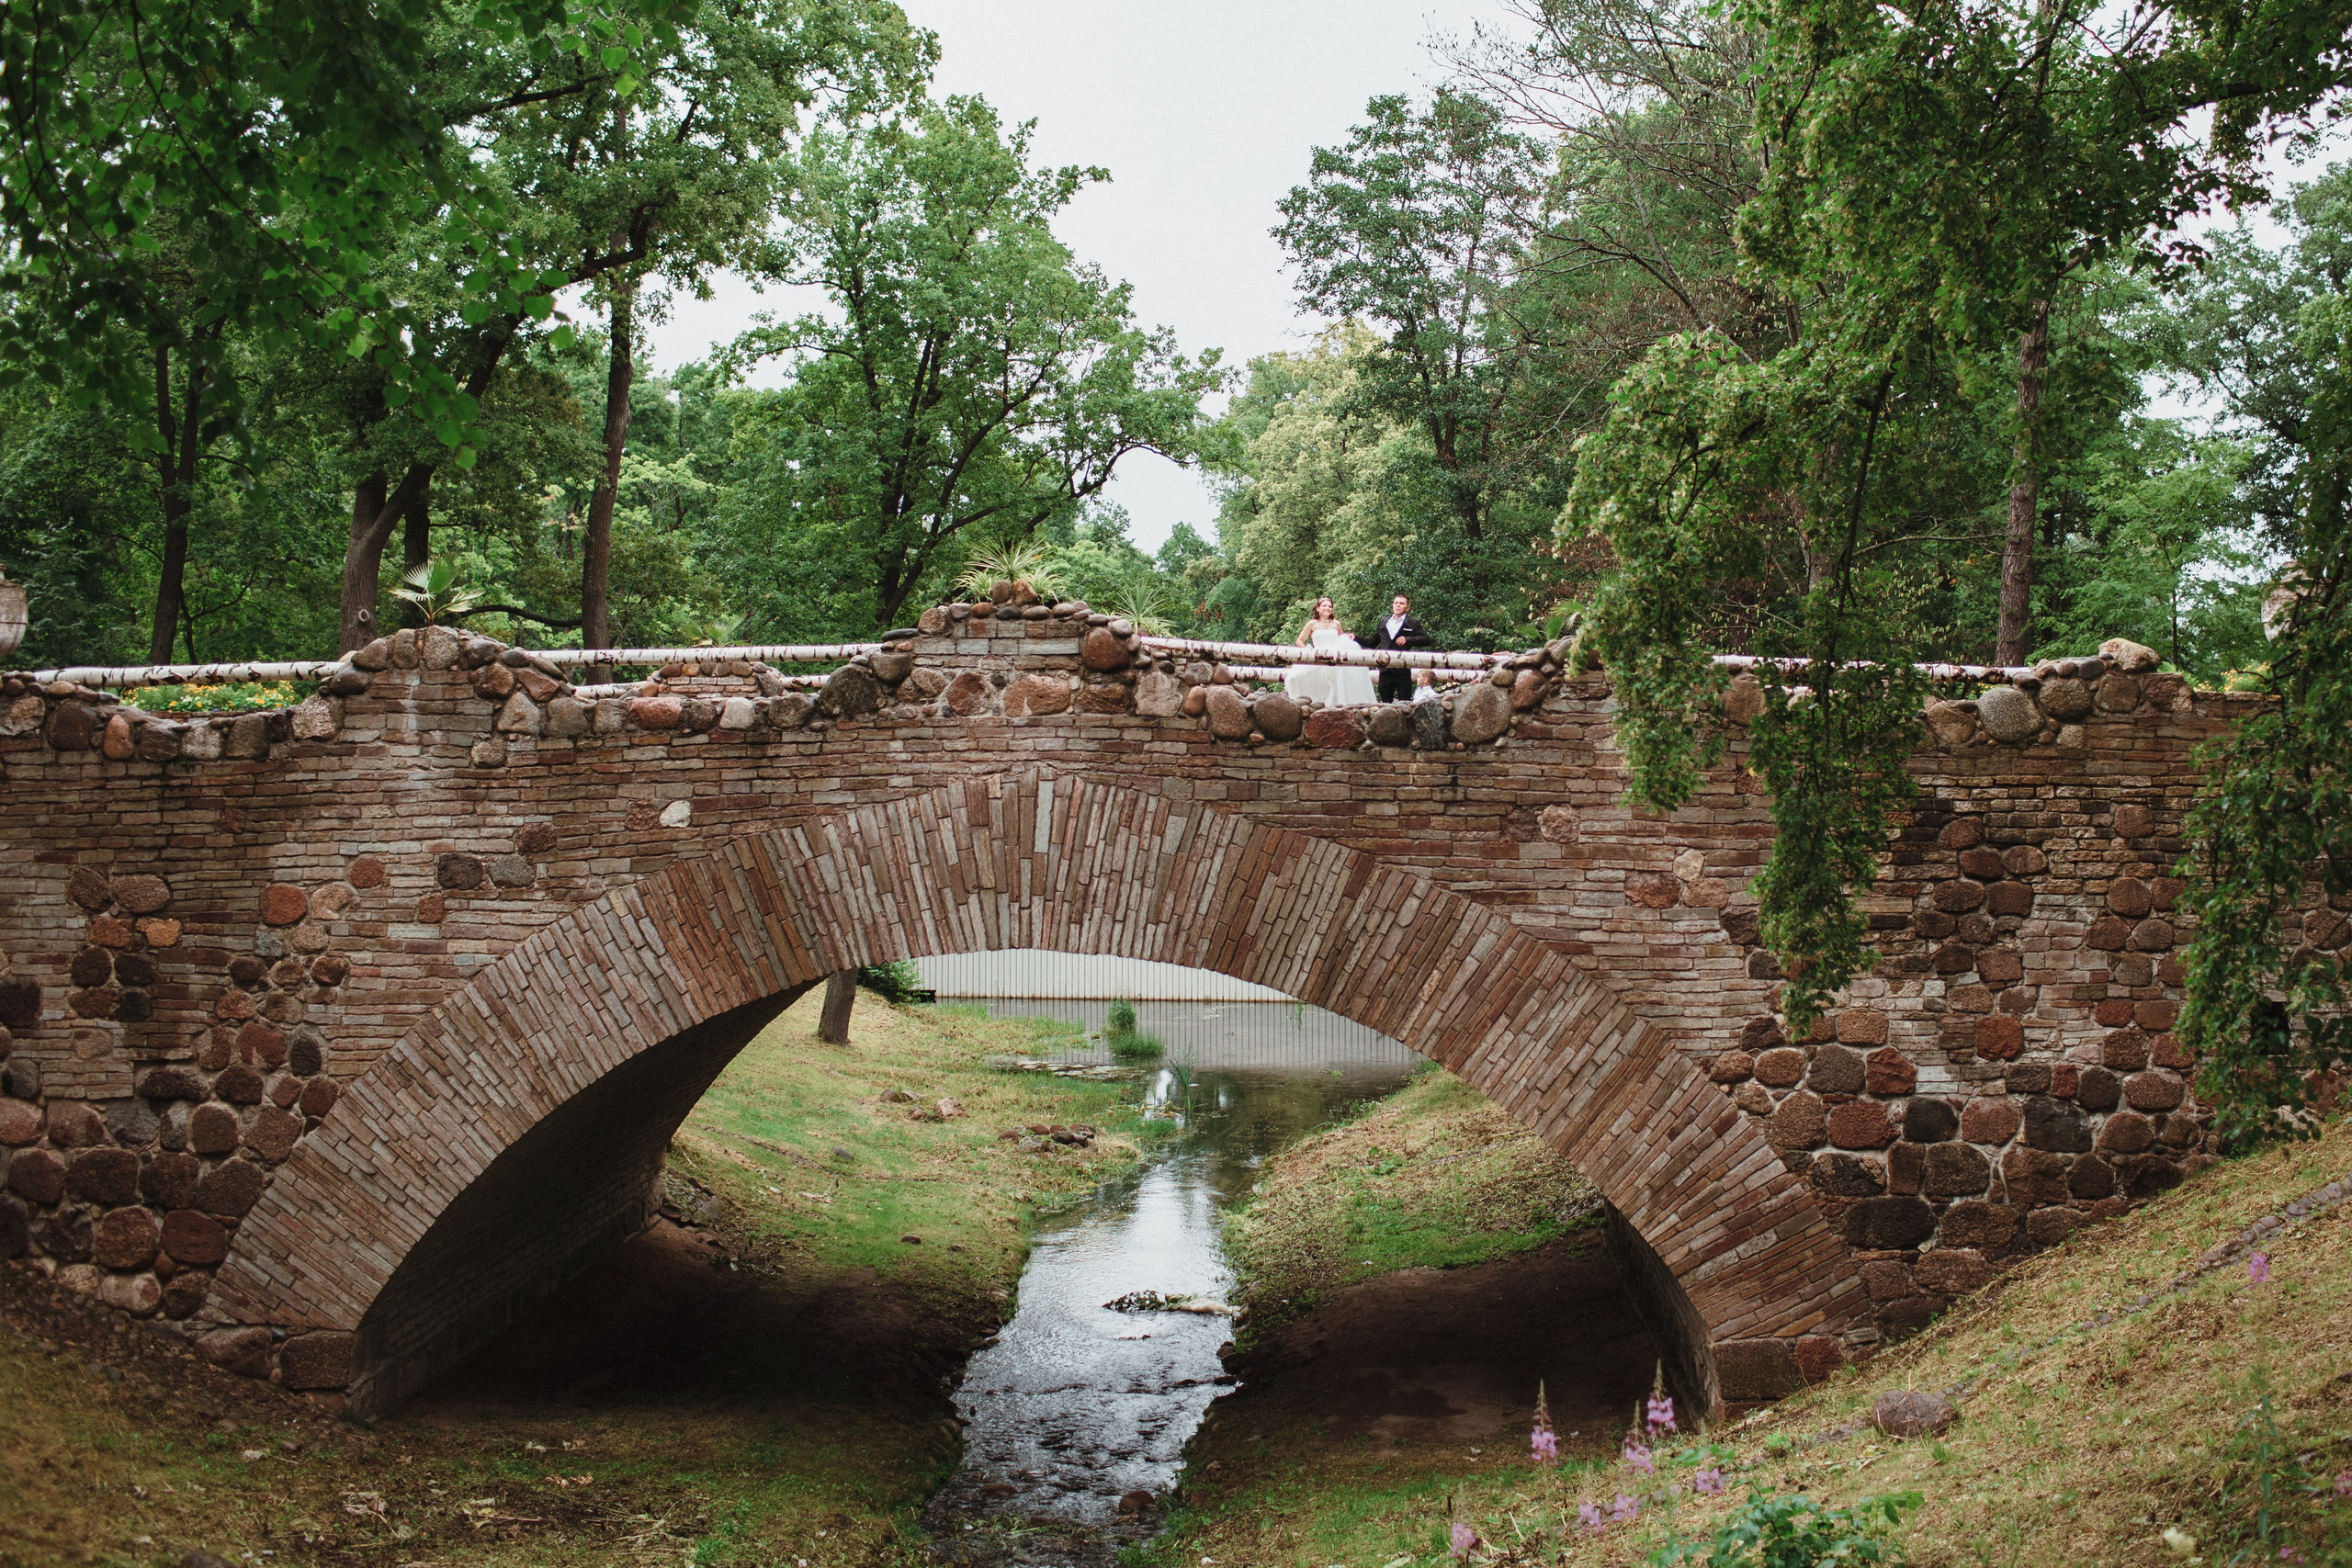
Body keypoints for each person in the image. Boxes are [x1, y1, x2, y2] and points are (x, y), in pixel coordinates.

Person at [1284, 596, 1376, 706]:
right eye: (1324, 605)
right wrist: (1307, 652)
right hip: (1317, 656)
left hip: (1334, 658)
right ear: (1318, 608)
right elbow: (1299, 640)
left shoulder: (1336, 624)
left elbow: (1342, 639)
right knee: (1296, 677)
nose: (1327, 608)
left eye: (1330, 606)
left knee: (1336, 683)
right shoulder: (1312, 624)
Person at [1374, 593, 1431, 703]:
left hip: (1403, 670)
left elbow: (1426, 640)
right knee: (1385, 705)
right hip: (1385, 670)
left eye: (1401, 603)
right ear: (1392, 605)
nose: (1398, 605)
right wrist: (1355, 638)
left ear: (1408, 607)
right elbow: (1373, 642)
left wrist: (1408, 639)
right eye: (1396, 603)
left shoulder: (1413, 623)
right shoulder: (1383, 621)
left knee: (1405, 704)